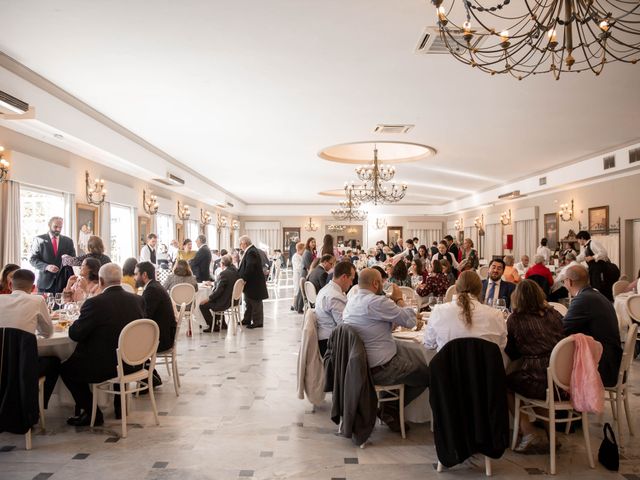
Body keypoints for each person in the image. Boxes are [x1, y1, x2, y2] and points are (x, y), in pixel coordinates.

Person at [343, 268, 429, 432]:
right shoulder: (376, 302)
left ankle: (388, 408)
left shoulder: (352, 300)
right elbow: (410, 320)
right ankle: (390, 409)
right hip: (381, 368)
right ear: (376, 283)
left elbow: (373, 324)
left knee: (409, 363)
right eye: (382, 282)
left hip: (358, 365)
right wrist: (399, 300)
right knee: (428, 374)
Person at [60, 263, 145, 425]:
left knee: (66, 369)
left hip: (105, 367)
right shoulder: (138, 300)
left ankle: (92, 413)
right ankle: (120, 408)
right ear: (120, 279)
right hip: (133, 362)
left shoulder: (95, 303)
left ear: (101, 281)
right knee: (114, 346)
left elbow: (75, 334)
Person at [505, 280, 565, 453]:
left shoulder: (516, 319)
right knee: (535, 388)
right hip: (562, 379)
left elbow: (512, 352)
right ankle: (552, 434)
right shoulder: (553, 314)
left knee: (506, 383)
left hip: (539, 377)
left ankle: (528, 431)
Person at [0, 269, 59, 409]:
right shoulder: (37, 300)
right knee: (55, 362)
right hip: (23, 369)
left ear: (10, 285)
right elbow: (48, 333)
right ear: (33, 288)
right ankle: (37, 408)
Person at [562, 265, 622, 387]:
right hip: (612, 359)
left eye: (564, 281)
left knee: (555, 365)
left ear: (569, 281)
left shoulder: (583, 300)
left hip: (603, 366)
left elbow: (561, 328)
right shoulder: (595, 295)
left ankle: (558, 402)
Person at [424, 271, 507, 352]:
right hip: (485, 365)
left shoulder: (439, 311)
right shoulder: (496, 315)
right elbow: (501, 346)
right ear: (479, 290)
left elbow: (429, 344)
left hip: (449, 365)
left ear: (456, 288)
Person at [314, 261, 356, 356]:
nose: (351, 283)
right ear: (344, 277)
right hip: (331, 344)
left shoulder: (326, 289)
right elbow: (345, 325)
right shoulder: (334, 296)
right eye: (351, 279)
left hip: (328, 339)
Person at [135, 261, 176, 354]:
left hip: (161, 340)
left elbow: (145, 317)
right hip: (165, 335)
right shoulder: (155, 286)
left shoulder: (151, 290)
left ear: (144, 274)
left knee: (127, 343)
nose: (135, 278)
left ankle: (142, 367)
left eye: (136, 274)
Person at [29, 216, 77, 293]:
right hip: (45, 283)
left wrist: (68, 259)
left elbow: (73, 260)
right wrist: (46, 267)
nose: (58, 229)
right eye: (55, 227)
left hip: (63, 283)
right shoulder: (38, 239)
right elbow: (33, 259)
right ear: (49, 225)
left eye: (60, 227)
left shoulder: (68, 241)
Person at [199, 255, 240, 332]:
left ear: (222, 264)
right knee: (218, 298)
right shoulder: (235, 271)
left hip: (225, 302)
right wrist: (212, 283)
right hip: (234, 300)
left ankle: (213, 326)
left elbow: (218, 291)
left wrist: (208, 299)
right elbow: (225, 284)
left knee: (203, 305)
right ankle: (223, 323)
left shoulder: (223, 274)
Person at [576, 230, 617, 301]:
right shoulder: (585, 247)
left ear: (582, 238)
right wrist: (573, 260)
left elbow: (604, 253)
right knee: (594, 287)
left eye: (578, 240)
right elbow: (581, 256)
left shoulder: (593, 243)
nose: (578, 242)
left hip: (600, 269)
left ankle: (602, 302)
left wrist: (592, 257)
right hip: (593, 270)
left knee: (599, 288)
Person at [238, 235, 269, 329]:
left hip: (254, 282)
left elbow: (250, 267)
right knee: (248, 301)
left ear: (245, 243)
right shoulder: (251, 250)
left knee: (255, 302)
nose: (240, 245)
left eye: (240, 243)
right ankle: (247, 319)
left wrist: (244, 279)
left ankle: (258, 322)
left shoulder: (251, 251)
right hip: (252, 282)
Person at [291, 241, 305, 311]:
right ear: (300, 249)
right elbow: (299, 267)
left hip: (299, 275)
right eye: (304, 249)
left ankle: (294, 305)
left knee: (298, 290)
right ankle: (294, 305)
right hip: (297, 275)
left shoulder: (300, 256)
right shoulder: (295, 256)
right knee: (297, 290)